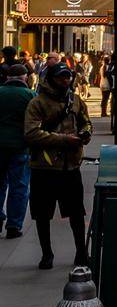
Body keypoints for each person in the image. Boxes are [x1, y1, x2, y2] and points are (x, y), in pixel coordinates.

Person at [24, 60, 92, 270]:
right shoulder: (38, 103)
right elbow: (31, 133)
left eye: (68, 76)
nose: (66, 80)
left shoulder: (76, 100)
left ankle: (81, 252)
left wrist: (86, 133)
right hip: (44, 167)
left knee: (76, 214)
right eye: (61, 77)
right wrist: (63, 139)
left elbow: (85, 121)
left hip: (71, 166)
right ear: (51, 79)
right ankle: (47, 254)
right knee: (43, 215)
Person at [0, 58, 33, 238]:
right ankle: (14, 226)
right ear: (24, 78)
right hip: (21, 147)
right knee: (19, 187)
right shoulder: (30, 96)